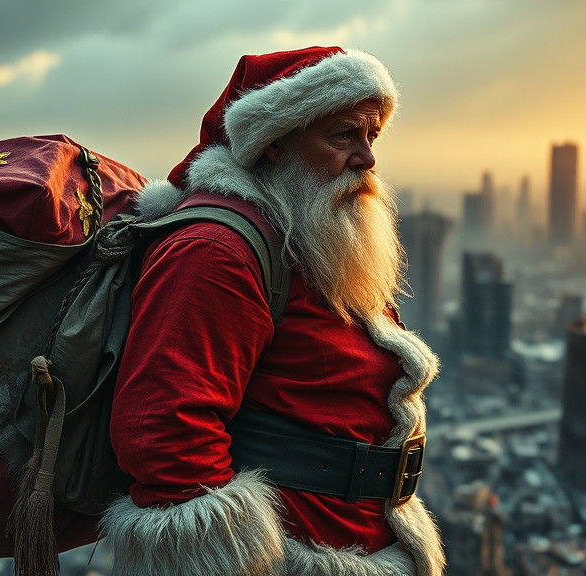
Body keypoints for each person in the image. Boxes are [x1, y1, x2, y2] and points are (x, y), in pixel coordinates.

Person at [100, 46, 446, 576]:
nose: (367, 158)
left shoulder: (308, 238)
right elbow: (163, 432)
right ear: (275, 143)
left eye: (370, 135)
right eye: (343, 135)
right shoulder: (216, 250)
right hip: (291, 558)